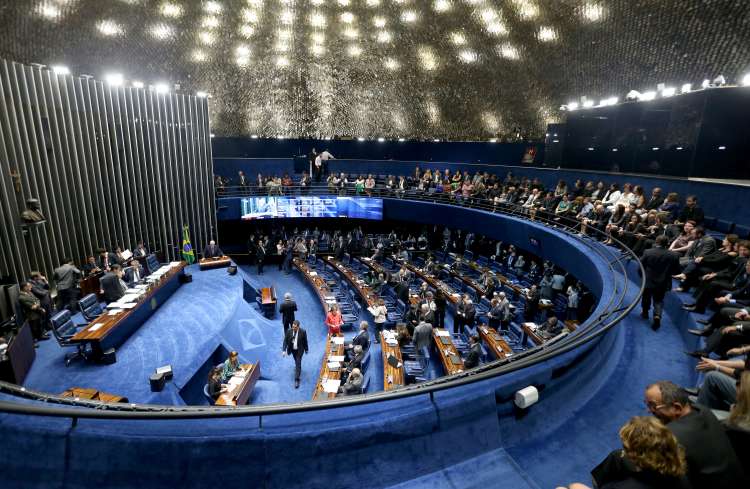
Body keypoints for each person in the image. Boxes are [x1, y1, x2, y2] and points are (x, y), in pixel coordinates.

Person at [644, 380, 744, 488]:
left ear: (677, 408)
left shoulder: (670, 436)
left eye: (653, 406)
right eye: (648, 405)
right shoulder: (703, 410)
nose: (649, 411)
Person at [579, 416, 691, 489]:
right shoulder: (678, 471)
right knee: (617, 456)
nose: (625, 452)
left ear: (637, 456)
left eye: (627, 449)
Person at [640, 235, 680, 330]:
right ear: (667, 244)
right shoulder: (674, 255)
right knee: (658, 300)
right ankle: (657, 315)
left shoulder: (648, 252)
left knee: (646, 296)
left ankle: (645, 313)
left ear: (656, 242)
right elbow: (677, 271)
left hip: (648, 279)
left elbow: (641, 266)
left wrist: (642, 276)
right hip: (663, 282)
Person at [282, 320, 309, 388]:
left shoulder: (303, 332)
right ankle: (297, 367)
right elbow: (285, 341)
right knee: (296, 361)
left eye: (295, 327)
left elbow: (305, 341)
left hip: (300, 350)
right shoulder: (289, 331)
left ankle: (297, 380)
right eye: (293, 327)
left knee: (298, 363)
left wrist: (306, 349)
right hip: (292, 350)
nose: (293, 328)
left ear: (298, 327)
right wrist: (284, 350)